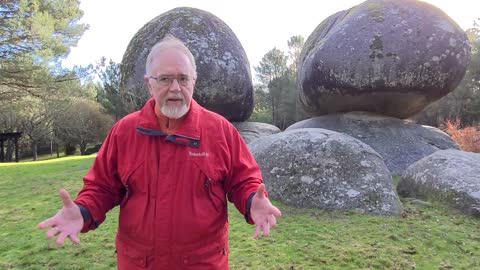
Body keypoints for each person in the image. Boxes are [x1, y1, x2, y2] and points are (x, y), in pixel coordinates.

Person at [37, 34, 281, 270]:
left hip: (203, 264)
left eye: (183, 79)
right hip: (138, 263)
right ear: (149, 83)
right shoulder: (124, 132)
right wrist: (82, 211)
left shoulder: (220, 131)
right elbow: (102, 187)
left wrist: (252, 201)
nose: (175, 88)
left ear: (194, 81)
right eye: (165, 79)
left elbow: (243, 180)